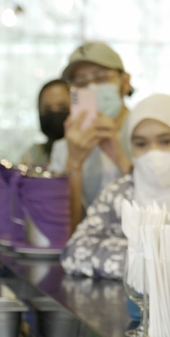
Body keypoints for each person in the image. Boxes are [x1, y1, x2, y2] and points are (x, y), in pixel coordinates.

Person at [60, 94, 170, 279]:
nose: (153, 153)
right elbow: (76, 251)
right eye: (141, 144)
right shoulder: (120, 193)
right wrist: (156, 261)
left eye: (166, 141)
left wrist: (138, 253)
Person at [50, 42, 134, 223]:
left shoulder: (147, 133)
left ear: (125, 82)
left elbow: (161, 204)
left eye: (101, 78)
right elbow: (63, 225)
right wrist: (73, 163)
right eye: (81, 82)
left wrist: (120, 158)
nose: (92, 88)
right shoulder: (64, 147)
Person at [21, 80, 70, 167]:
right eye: (47, 110)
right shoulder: (34, 156)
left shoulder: (94, 153)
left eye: (63, 109)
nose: (55, 114)